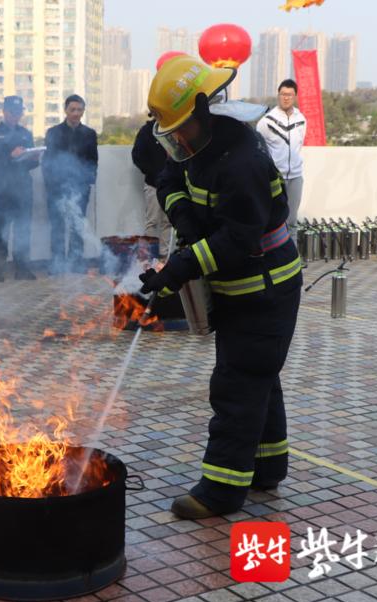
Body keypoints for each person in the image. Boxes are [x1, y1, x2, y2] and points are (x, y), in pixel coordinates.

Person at [139, 56, 302, 519]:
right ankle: (267, 468)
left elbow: (237, 239)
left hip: (264, 289)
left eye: (179, 130)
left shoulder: (244, 161)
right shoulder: (194, 149)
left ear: (200, 110)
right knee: (259, 377)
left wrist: (180, 267)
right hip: (240, 289)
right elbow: (169, 179)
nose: (175, 141)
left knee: (237, 383)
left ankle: (221, 490)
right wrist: (184, 218)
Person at [0, 96, 41, 281]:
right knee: (0, 229)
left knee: (23, 229)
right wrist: (10, 156)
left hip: (23, 187)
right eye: (12, 112)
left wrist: (33, 158)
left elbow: (31, 165)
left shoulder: (26, 133)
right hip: (3, 188)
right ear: (4, 111)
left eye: (19, 112)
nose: (16, 116)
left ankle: (22, 267)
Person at [42, 94, 98, 274]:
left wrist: (87, 183)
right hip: (57, 189)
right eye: (72, 109)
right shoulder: (53, 132)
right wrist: (52, 186)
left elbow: (93, 161)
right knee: (57, 226)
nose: (76, 113)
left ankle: (76, 262)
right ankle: (57, 264)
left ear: (83, 111)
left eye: (79, 110)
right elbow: (47, 162)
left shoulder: (89, 134)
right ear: (65, 110)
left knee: (77, 226)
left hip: (80, 189)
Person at [256, 79, 306, 243]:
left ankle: (293, 256)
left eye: (290, 95)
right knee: (273, 219)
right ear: (278, 95)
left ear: (295, 96)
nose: (286, 98)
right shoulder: (267, 121)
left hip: (296, 176)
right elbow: (259, 150)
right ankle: (271, 256)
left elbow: (299, 146)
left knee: (291, 220)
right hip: (275, 178)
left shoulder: (301, 119)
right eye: (283, 94)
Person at [131, 115, 172, 257]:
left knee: (169, 222)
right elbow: (137, 156)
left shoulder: (173, 129)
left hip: (172, 186)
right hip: (153, 185)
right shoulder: (147, 131)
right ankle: (149, 255)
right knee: (152, 222)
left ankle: (164, 256)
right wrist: (154, 173)